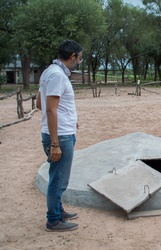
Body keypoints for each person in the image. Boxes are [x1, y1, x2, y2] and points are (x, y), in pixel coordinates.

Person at [36, 40, 83, 232]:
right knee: (58, 180)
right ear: (72, 56)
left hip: (62, 131)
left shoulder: (49, 71)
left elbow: (40, 103)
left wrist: (69, 120)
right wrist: (55, 144)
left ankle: (58, 210)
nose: (79, 62)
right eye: (79, 58)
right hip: (60, 137)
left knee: (58, 177)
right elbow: (50, 110)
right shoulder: (57, 76)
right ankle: (53, 220)